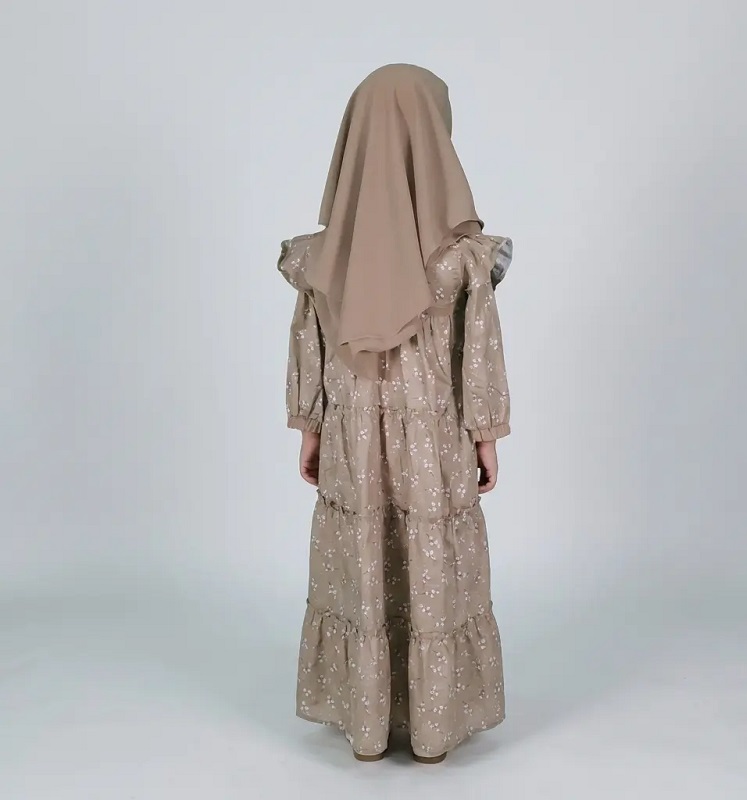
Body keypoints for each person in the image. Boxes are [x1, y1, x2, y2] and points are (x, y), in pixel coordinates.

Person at [277, 63, 512, 765]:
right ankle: (432, 730)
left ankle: (369, 722)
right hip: (433, 440)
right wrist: (485, 435)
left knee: (363, 556)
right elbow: (479, 353)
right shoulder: (461, 259)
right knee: (430, 562)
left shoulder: (325, 257)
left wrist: (311, 427)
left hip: (351, 439)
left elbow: (310, 345)